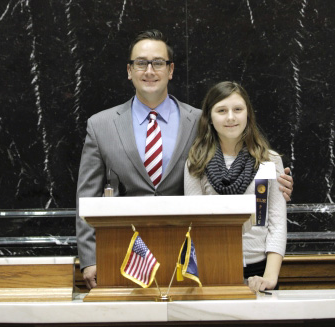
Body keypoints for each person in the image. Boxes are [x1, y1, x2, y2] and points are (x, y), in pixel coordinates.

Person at [76, 30, 293, 290]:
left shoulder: (202, 122)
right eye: (140, 63)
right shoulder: (101, 125)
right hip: (124, 257)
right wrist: (89, 259)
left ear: (170, 70)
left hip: (186, 261)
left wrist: (275, 185)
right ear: (129, 70)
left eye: (158, 62)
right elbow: (86, 197)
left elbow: (238, 160)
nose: (149, 70)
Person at [184, 81, 287, 292]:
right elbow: (195, 225)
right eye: (221, 110)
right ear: (210, 118)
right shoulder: (196, 163)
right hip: (213, 269)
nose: (231, 117)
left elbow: (276, 223)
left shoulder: (269, 161)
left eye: (238, 110)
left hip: (260, 270)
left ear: (247, 114)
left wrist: (269, 277)